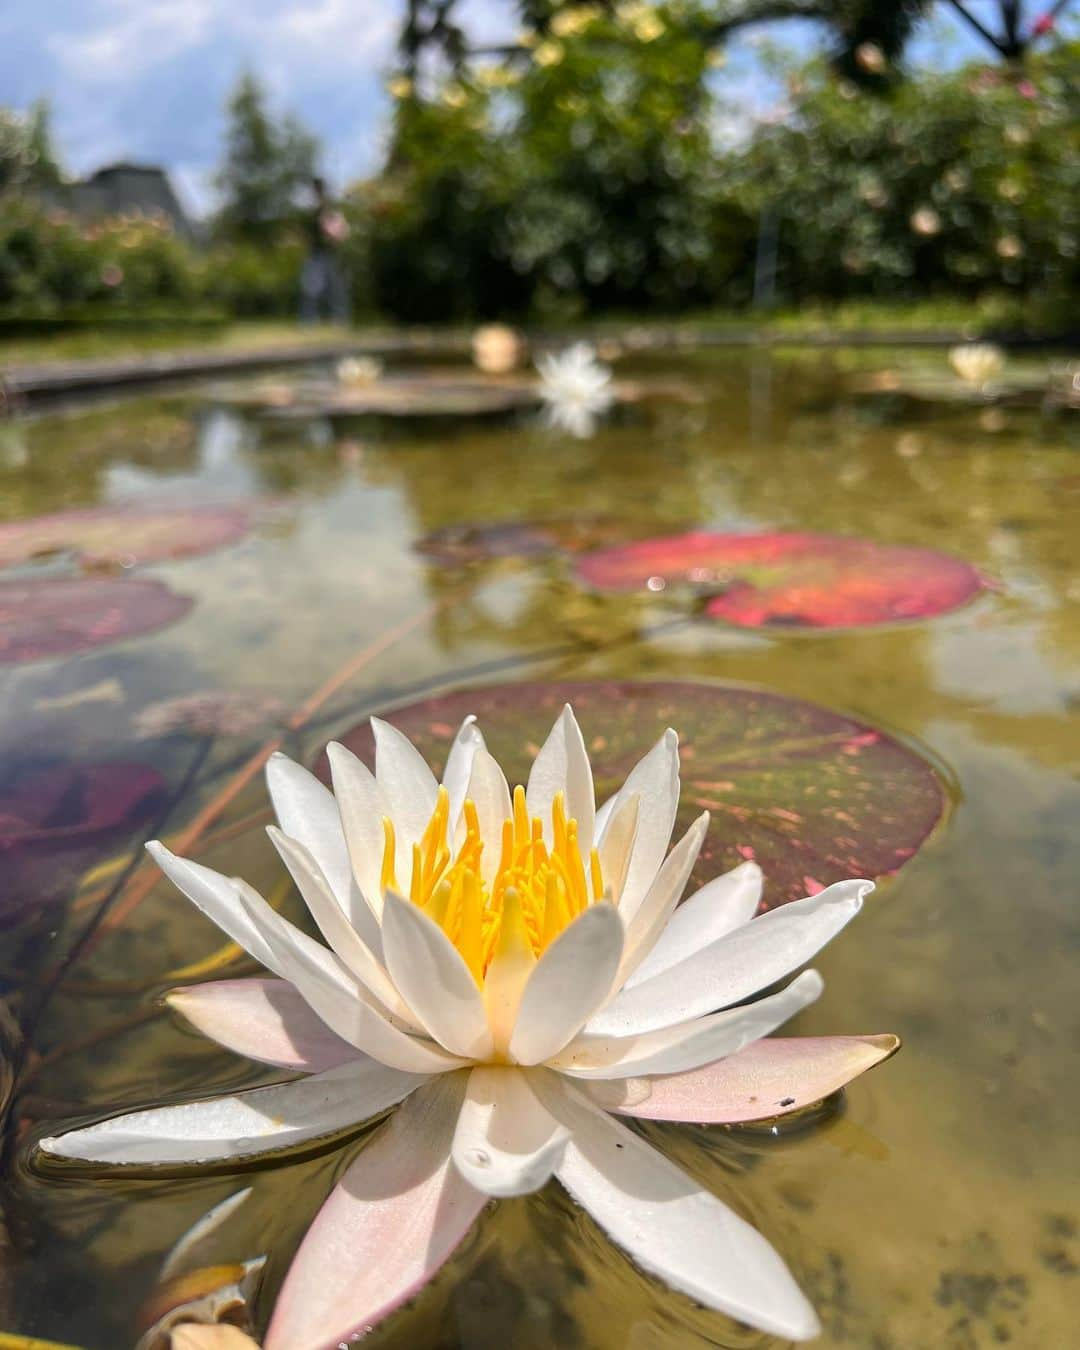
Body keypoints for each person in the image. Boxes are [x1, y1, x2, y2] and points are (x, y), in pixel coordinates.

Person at [299, 176, 351, 323]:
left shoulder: (329, 207)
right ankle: (309, 319)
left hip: (331, 252)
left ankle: (340, 318)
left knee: (336, 287)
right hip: (315, 253)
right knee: (311, 287)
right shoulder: (312, 208)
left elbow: (338, 229)